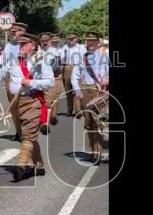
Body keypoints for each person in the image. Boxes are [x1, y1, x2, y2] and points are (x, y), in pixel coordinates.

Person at [1, 33, 55, 181]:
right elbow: (1, 73)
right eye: (20, 44)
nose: (21, 47)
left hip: (32, 101)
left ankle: (21, 165)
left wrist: (32, 83)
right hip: (17, 102)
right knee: (28, 136)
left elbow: (50, 82)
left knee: (28, 134)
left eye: (24, 44)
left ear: (33, 45)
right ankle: (39, 165)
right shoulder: (14, 61)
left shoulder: (40, 62)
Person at [71, 34, 109, 164]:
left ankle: (97, 153)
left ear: (98, 42)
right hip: (86, 91)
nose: (90, 43)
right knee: (88, 123)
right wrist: (77, 90)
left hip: (99, 91)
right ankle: (93, 149)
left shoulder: (105, 57)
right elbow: (74, 76)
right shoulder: (82, 58)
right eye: (89, 41)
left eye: (93, 41)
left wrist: (106, 79)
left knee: (97, 121)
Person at [2, 23, 27, 141]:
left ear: (23, 32)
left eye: (17, 31)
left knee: (25, 108)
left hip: (26, 78)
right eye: (13, 32)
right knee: (14, 108)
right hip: (12, 78)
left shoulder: (31, 45)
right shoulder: (9, 45)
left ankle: (26, 132)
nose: (14, 34)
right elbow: (3, 62)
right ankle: (18, 132)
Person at [60, 32, 85, 116]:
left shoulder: (81, 47)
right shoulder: (65, 47)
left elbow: (83, 59)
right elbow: (62, 59)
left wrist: (83, 71)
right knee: (68, 90)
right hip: (67, 68)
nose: (70, 40)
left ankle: (78, 110)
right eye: (69, 39)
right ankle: (69, 109)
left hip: (77, 68)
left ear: (76, 39)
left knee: (77, 89)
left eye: (72, 38)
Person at [43, 34, 63, 129]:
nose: (55, 42)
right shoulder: (46, 51)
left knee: (56, 98)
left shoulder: (60, 50)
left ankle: (53, 116)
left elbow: (60, 64)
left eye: (56, 41)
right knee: (46, 102)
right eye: (53, 41)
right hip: (47, 78)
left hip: (57, 77)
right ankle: (45, 123)